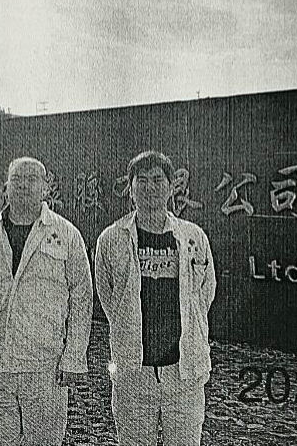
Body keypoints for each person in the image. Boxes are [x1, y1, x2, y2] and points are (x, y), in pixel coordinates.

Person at [0, 157, 93, 446]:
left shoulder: (66, 234)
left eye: (32, 179)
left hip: (44, 367)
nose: (23, 185)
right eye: (16, 179)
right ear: (6, 187)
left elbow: (82, 298)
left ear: (46, 188)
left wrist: (74, 357)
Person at [94, 150, 216, 446]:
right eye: (142, 180)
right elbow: (108, 296)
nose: (150, 187)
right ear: (130, 188)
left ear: (172, 186)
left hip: (183, 371)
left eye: (158, 180)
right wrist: (127, 325)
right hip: (134, 372)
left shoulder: (193, 236)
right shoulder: (111, 239)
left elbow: (205, 292)